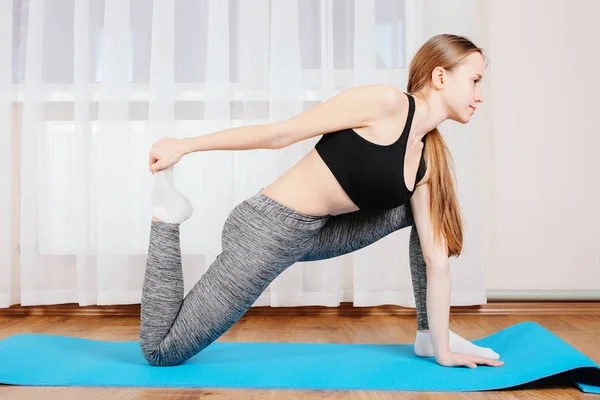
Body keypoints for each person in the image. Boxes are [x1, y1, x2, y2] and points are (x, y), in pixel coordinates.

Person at [141, 33, 504, 369]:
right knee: (161, 351)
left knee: (415, 211)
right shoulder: (384, 104)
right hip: (267, 232)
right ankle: (166, 215)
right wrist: (184, 146)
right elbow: (279, 134)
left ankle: (428, 336)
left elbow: (435, 258)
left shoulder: (427, 162)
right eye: (474, 81)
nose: (480, 94)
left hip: (317, 234)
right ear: (440, 77)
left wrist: (442, 350)